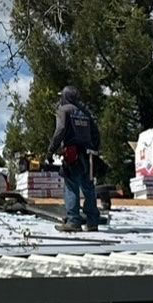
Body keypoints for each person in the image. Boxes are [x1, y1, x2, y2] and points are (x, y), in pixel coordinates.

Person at [49, 85, 101, 231]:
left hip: (73, 155)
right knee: (89, 188)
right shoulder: (86, 113)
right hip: (88, 156)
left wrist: (51, 150)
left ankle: (73, 221)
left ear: (65, 97)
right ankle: (92, 222)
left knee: (71, 187)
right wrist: (95, 149)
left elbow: (60, 130)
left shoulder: (64, 110)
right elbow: (96, 134)